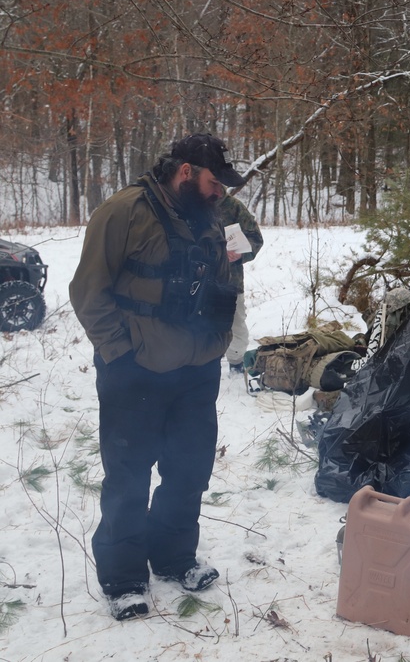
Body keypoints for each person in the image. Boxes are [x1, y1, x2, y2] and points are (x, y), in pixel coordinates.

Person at [69, 133, 244, 620]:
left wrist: (214, 345)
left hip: (195, 371)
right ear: (185, 171)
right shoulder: (124, 211)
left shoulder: (208, 216)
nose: (219, 193)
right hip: (136, 371)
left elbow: (218, 285)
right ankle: (123, 577)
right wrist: (120, 354)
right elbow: (88, 291)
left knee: (188, 470)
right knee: (128, 476)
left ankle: (173, 557)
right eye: (214, 182)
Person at [217, 195, 264, 373]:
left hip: (231, 281)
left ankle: (236, 364)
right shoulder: (190, 202)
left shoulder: (232, 206)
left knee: (236, 323)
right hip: (197, 282)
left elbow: (255, 238)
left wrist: (240, 254)